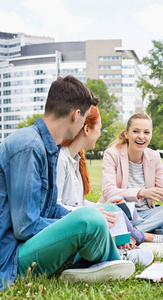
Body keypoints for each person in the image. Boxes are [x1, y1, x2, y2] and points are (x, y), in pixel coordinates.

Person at [0, 76, 134, 290]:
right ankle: (107, 262)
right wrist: (79, 222)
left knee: (98, 214)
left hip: (27, 245)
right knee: (88, 218)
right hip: (12, 256)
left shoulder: (47, 147)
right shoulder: (29, 146)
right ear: (76, 115)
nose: (84, 125)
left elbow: (50, 207)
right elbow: (25, 227)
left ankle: (97, 262)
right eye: (85, 118)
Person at [56, 106, 163, 247]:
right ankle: (140, 236)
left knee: (117, 209)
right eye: (99, 129)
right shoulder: (61, 159)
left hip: (140, 213)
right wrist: (98, 211)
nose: (99, 134)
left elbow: (78, 202)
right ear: (87, 130)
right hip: (74, 223)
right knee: (117, 207)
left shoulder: (76, 160)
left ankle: (126, 234)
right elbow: (56, 207)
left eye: (146, 132)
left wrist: (101, 207)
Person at [101, 113, 163, 234]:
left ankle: (137, 231)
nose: (141, 137)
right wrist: (141, 193)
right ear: (126, 134)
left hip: (147, 214)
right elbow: (109, 191)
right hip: (123, 212)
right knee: (115, 200)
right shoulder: (112, 154)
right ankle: (145, 230)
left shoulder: (154, 156)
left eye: (146, 132)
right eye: (136, 131)